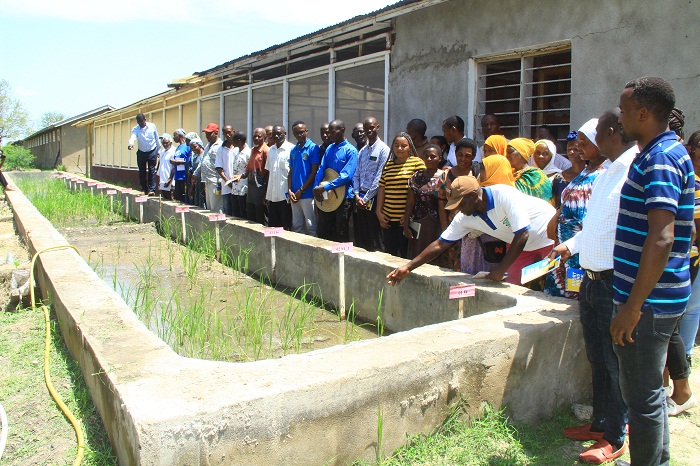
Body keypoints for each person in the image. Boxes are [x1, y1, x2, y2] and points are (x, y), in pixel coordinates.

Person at [610, 77, 694, 465]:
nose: (620, 118)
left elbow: (661, 238)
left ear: (643, 114)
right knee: (649, 397)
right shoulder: (662, 152)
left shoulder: (660, 157)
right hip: (655, 298)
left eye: (625, 111)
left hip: (647, 304)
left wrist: (632, 306)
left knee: (641, 400)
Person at [549, 109, 635, 464]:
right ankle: (600, 423)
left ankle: (616, 435)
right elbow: (596, 227)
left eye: (592, 135)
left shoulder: (631, 169)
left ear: (610, 133)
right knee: (597, 356)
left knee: (614, 361)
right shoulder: (604, 174)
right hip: (591, 278)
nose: (581, 144)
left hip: (615, 281)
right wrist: (571, 245)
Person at [387, 176, 555, 287]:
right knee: (512, 286)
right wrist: (408, 267)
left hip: (549, 237)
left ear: (474, 196)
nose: (458, 209)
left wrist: (501, 267)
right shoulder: (465, 216)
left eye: (460, 204)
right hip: (523, 247)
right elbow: (440, 244)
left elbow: (523, 233)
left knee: (553, 284)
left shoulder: (503, 195)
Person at [543, 119, 607, 299]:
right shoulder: (586, 172)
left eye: (584, 143)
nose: (578, 148)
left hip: (579, 253)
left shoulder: (601, 176)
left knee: (575, 302)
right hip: (564, 249)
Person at [376, 133, 426, 258]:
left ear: (410, 147)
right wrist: (378, 212)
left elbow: (422, 191)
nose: (399, 149)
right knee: (389, 255)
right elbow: (382, 189)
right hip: (387, 220)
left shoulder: (417, 163)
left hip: (405, 220)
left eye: (404, 146)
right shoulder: (388, 165)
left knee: (406, 255)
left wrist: (410, 215)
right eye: (396, 145)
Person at [437, 138, 479, 271]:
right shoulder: (445, 175)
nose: (463, 159)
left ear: (473, 156)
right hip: (452, 226)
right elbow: (441, 202)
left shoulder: (478, 174)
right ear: (455, 154)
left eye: (468, 156)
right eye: (460, 155)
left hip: (473, 229)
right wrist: (445, 227)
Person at [312, 120, 358, 242]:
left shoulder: (351, 151)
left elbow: (346, 176)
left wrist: (325, 187)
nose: (329, 135)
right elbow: (322, 168)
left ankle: (343, 259)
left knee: (341, 231)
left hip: (344, 198)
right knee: (323, 230)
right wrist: (316, 187)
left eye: (333, 132)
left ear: (342, 130)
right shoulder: (329, 149)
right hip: (327, 195)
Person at [353, 116, 390, 251]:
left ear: (377, 127)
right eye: (366, 128)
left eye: (371, 127)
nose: (369, 131)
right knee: (363, 235)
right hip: (360, 198)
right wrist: (357, 195)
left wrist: (366, 198)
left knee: (375, 236)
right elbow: (356, 174)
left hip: (374, 198)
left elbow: (379, 177)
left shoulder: (383, 150)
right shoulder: (362, 151)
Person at [403, 144, 444, 260]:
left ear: (440, 159)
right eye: (426, 156)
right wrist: (406, 225)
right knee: (417, 254)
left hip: (437, 224)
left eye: (433, 156)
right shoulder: (417, 176)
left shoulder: (444, 177)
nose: (429, 159)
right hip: (418, 222)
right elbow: (410, 202)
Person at [288, 121, 320, 236]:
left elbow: (314, 171)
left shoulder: (313, 148)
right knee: (297, 226)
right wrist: (290, 190)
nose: (299, 135)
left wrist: (301, 190)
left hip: (307, 194)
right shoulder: (293, 150)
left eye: (301, 132)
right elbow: (290, 172)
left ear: (306, 131)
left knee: (311, 226)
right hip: (294, 195)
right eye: (296, 133)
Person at [265, 125, 295, 230]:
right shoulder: (271, 150)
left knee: (286, 227)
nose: (276, 136)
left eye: (279, 133)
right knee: (273, 227)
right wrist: (267, 195)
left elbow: (293, 172)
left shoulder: (291, 149)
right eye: (274, 134)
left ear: (285, 134)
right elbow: (270, 173)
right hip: (273, 196)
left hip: (285, 197)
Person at [506, 138, 553, 203]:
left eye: (510, 152)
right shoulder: (509, 173)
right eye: (506, 153)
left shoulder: (536, 175)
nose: (507, 156)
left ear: (522, 154)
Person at [550, 131, 585, 207]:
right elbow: (557, 205)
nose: (571, 152)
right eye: (569, 149)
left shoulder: (592, 174)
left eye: (576, 149)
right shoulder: (559, 178)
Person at [127, 113, 159, 195]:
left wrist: (158, 150)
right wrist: (130, 144)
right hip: (141, 152)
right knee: (142, 171)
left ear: (145, 120)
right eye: (138, 122)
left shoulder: (152, 126)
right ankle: (144, 189)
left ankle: (152, 189)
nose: (140, 123)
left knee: (152, 169)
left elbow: (157, 138)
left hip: (152, 150)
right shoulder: (136, 129)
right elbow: (133, 137)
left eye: (141, 121)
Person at [242, 128, 269, 224]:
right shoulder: (253, 150)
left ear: (265, 137)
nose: (256, 138)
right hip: (251, 185)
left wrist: (266, 193)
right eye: (254, 136)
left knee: (260, 215)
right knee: (251, 213)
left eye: (259, 136)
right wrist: (242, 175)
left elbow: (268, 172)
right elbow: (249, 167)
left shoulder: (266, 150)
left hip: (261, 187)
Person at [196, 123, 223, 212]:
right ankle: (211, 225)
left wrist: (220, 180)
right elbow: (203, 160)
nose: (207, 136)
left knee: (216, 206)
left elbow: (222, 164)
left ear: (216, 133)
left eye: (209, 133)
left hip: (215, 181)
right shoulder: (208, 145)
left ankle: (218, 225)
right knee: (209, 206)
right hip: (207, 180)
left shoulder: (220, 146)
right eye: (206, 134)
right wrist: (196, 173)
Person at [215, 125, 237, 216]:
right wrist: (228, 182)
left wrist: (235, 182)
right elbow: (219, 168)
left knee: (237, 212)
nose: (228, 135)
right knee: (227, 211)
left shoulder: (240, 146)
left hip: (238, 185)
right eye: (225, 133)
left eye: (229, 132)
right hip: (226, 186)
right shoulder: (220, 149)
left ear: (233, 132)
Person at [229, 132, 251, 219]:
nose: (232, 142)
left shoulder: (248, 153)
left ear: (239, 141)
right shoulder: (237, 152)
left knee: (243, 213)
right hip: (235, 187)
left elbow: (249, 170)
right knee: (236, 212)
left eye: (233, 140)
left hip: (243, 187)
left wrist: (241, 176)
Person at [169, 129, 190, 203]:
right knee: (178, 199)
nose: (173, 138)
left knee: (185, 199)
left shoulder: (187, 147)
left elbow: (189, 161)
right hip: (177, 176)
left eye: (175, 135)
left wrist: (177, 162)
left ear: (180, 135)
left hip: (184, 177)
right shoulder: (178, 148)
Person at [157, 133, 174, 200]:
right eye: (163, 143)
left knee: (171, 200)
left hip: (170, 182)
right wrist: (159, 181)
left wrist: (170, 180)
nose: (164, 144)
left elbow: (174, 167)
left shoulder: (174, 151)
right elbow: (160, 167)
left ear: (171, 142)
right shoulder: (163, 152)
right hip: (163, 181)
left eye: (166, 143)